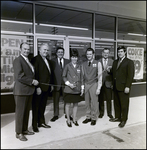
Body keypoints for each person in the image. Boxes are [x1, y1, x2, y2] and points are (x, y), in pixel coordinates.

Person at [13, 42, 39, 141]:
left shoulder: (28, 60)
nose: (27, 51)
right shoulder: (17, 60)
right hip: (21, 91)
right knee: (20, 113)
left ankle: (24, 129)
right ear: (20, 49)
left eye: (28, 49)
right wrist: (32, 81)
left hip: (28, 91)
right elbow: (19, 76)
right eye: (25, 49)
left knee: (26, 112)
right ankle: (18, 133)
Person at [109, 46, 135, 128]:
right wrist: (109, 71)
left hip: (124, 87)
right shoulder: (115, 62)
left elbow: (130, 76)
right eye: (118, 52)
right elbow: (114, 73)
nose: (119, 53)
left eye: (121, 51)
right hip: (116, 86)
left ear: (125, 52)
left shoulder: (129, 62)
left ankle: (124, 119)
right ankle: (118, 117)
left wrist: (128, 86)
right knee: (116, 103)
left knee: (124, 104)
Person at [31, 43, 52, 132]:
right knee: (36, 107)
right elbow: (34, 74)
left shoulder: (47, 59)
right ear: (40, 50)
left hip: (46, 88)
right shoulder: (35, 59)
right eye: (44, 50)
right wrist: (37, 87)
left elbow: (48, 74)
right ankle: (34, 125)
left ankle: (41, 122)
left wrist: (50, 85)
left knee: (42, 106)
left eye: (47, 50)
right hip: (39, 89)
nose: (46, 51)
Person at [62, 49, 84, 127]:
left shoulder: (79, 66)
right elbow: (64, 76)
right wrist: (68, 84)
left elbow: (81, 78)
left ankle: (74, 119)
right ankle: (68, 119)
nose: (74, 59)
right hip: (69, 89)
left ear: (77, 58)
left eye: (75, 57)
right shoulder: (67, 66)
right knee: (68, 104)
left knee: (75, 104)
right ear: (71, 57)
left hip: (76, 89)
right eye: (73, 57)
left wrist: (82, 88)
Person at [81, 48, 102, 126]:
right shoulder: (83, 64)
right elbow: (82, 77)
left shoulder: (98, 63)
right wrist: (82, 87)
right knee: (87, 102)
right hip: (86, 84)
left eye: (90, 54)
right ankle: (88, 116)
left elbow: (100, 76)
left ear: (93, 55)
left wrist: (98, 88)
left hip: (94, 84)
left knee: (94, 102)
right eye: (87, 54)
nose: (89, 56)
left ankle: (93, 117)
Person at [50, 47, 70, 122]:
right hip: (56, 84)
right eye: (59, 52)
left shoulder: (68, 61)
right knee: (56, 100)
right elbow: (51, 73)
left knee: (66, 99)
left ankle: (66, 113)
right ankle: (55, 115)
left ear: (63, 53)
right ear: (56, 53)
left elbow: (70, 73)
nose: (60, 53)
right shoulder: (52, 62)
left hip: (65, 84)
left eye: (62, 52)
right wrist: (51, 84)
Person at [98, 48, 114, 119]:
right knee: (100, 99)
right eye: (104, 52)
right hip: (100, 83)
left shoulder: (112, 62)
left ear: (109, 54)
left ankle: (109, 113)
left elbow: (114, 73)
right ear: (102, 53)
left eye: (107, 53)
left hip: (108, 83)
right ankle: (101, 113)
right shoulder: (98, 61)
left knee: (109, 99)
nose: (105, 54)